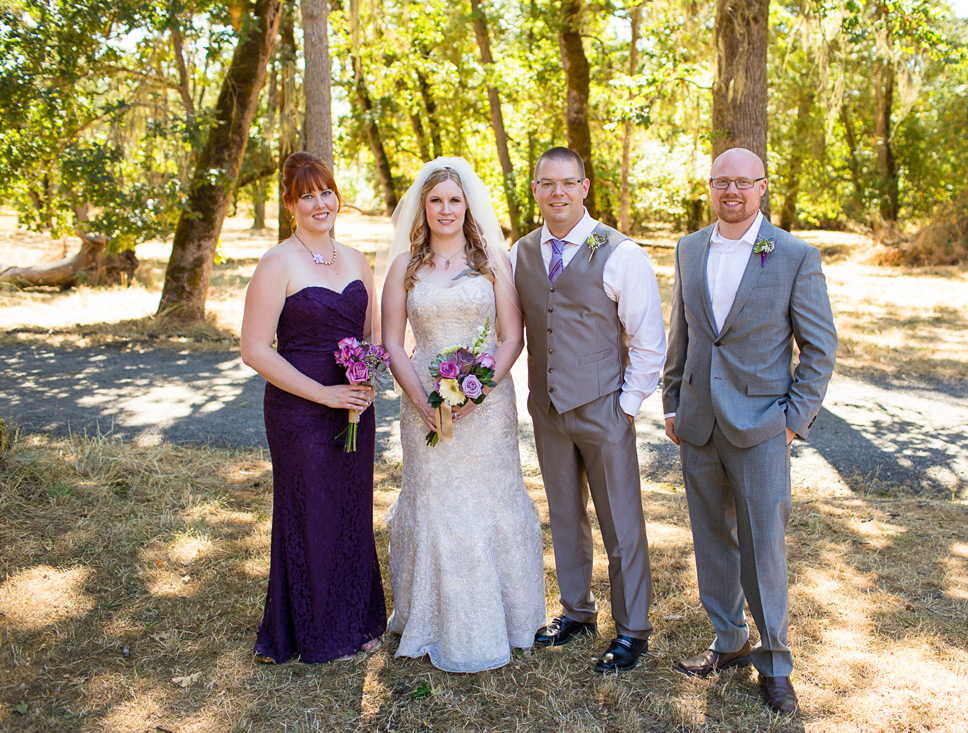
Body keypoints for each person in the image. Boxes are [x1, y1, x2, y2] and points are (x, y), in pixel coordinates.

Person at [662, 148, 837, 713]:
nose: (731, 191)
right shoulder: (689, 249)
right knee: (712, 540)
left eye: (743, 182)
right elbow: (683, 336)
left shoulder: (793, 255)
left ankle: (775, 662)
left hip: (762, 427)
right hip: (698, 424)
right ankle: (729, 641)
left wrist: (792, 422)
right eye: (721, 182)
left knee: (763, 549)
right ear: (709, 188)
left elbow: (819, 348)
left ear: (762, 187)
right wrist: (671, 405)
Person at [380, 157, 545, 673]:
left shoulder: (491, 261)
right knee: (433, 501)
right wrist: (421, 402)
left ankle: (509, 618)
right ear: (423, 208)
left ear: (466, 205)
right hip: (422, 405)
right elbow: (390, 341)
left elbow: (512, 336)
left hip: (487, 408)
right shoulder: (404, 267)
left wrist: (478, 390)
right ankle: (429, 618)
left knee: (490, 500)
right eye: (436, 201)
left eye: (454, 200)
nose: (445, 209)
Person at [510, 146, 666, 673]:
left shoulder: (620, 253)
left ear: (584, 187)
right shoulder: (521, 252)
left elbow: (648, 340)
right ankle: (577, 612)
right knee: (565, 516)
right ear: (535, 190)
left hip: (605, 410)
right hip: (547, 409)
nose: (557, 192)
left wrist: (626, 405)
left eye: (567, 182)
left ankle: (633, 630)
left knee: (621, 522)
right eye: (546, 183)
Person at [241, 151, 387, 664]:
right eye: (307, 195)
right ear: (290, 203)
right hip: (300, 409)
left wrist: (366, 375)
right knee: (311, 512)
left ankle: (357, 619)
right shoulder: (277, 262)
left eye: (326, 191)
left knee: (351, 507)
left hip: (354, 404)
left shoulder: (357, 259)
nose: (320, 203)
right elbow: (255, 348)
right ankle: (312, 632)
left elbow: (370, 335)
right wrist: (325, 394)